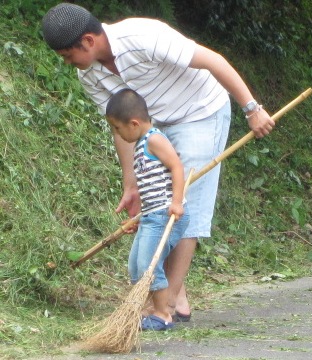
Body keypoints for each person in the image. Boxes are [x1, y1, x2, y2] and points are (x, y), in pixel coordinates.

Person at [41, 3, 275, 321]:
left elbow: (213, 61)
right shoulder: (90, 75)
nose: (69, 64)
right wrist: (131, 182)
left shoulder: (142, 36)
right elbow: (122, 127)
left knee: (184, 206)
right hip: (154, 128)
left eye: (68, 55)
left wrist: (252, 108)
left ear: (88, 41)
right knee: (156, 207)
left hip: (200, 112)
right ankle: (172, 294)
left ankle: (165, 308)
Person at [105, 88, 189, 330]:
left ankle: (163, 314)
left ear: (133, 123)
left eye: (117, 129)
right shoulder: (141, 145)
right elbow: (151, 187)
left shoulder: (154, 139)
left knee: (149, 265)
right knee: (135, 266)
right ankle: (148, 310)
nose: (116, 134)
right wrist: (139, 218)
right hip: (152, 215)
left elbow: (177, 167)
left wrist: (176, 201)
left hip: (166, 214)